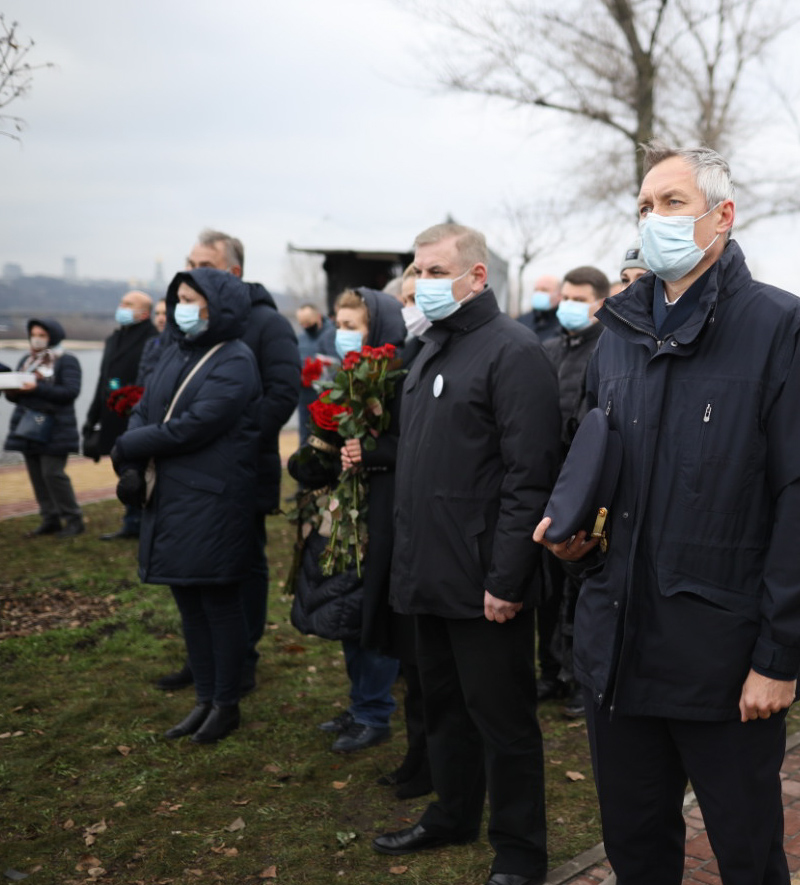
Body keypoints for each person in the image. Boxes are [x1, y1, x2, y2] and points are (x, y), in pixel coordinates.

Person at [535, 143, 800, 885]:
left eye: (671, 202)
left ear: (722, 215)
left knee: (746, 854)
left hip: (725, 663)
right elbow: (597, 462)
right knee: (635, 849)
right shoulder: (619, 336)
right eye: (644, 207)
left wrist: (779, 654)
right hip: (619, 651)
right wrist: (579, 537)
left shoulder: (782, 327)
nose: (654, 218)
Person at [373, 223, 560, 885]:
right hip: (427, 572)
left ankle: (519, 851)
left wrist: (506, 578)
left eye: (433, 270)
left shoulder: (513, 352)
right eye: (416, 271)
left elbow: (528, 475)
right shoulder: (428, 349)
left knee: (503, 722)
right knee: (440, 706)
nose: (420, 283)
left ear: (476, 276)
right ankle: (453, 812)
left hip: (487, 581)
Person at [113, 268, 262, 744]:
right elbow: (145, 408)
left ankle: (225, 703)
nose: (182, 307)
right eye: (177, 298)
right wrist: (133, 458)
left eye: (191, 299)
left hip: (212, 501)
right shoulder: (176, 352)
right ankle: (203, 699)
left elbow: (193, 426)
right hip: (172, 499)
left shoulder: (236, 360)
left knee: (217, 602)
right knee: (188, 603)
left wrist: (127, 446)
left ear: (218, 306)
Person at [155, 229, 300, 697]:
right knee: (194, 569)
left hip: (241, 469)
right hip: (184, 474)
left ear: (233, 272)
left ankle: (243, 657)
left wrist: (230, 440)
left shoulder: (265, 324)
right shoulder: (188, 325)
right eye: (189, 263)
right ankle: (204, 659)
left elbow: (281, 394)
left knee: (244, 564)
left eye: (206, 265)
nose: (194, 273)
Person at [287, 288, 408, 754]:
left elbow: (409, 447)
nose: (343, 335)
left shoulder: (398, 380)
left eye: (354, 327)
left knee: (369, 618)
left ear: (379, 330)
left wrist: (370, 451)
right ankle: (359, 703)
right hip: (342, 513)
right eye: (339, 325)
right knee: (345, 615)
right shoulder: (344, 379)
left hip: (380, 516)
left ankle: (374, 712)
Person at [539, 265, 611, 715]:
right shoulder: (546, 350)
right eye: (563, 296)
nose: (566, 305)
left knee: (582, 591)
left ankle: (585, 680)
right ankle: (552, 671)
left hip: (585, 487)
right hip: (548, 484)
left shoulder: (606, 350)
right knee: (548, 590)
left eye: (577, 298)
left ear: (599, 302)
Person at [83, 290, 157, 540]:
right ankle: (132, 519)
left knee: (135, 468)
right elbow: (103, 380)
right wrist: (92, 418)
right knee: (121, 467)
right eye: (122, 302)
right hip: (111, 414)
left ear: (144, 312)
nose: (121, 307)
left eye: (128, 304)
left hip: (134, 414)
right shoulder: (113, 339)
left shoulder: (152, 339)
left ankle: (137, 521)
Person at [4, 319, 84, 538]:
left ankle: (73, 518)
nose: (37, 338)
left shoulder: (66, 361)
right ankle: (50, 519)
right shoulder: (27, 360)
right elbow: (19, 398)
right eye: (34, 334)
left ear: (53, 336)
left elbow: (70, 392)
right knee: (37, 475)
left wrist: (36, 387)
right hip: (27, 427)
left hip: (56, 428)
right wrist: (12, 389)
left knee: (53, 474)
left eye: (42, 334)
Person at [294, 302, 337, 443]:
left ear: (318, 317)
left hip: (325, 397)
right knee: (305, 436)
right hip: (305, 396)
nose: (306, 326)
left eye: (308, 322)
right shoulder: (300, 339)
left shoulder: (332, 334)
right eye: (302, 323)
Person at [516, 274, 562, 342]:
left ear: (559, 295)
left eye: (544, 290)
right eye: (536, 290)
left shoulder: (563, 323)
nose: (539, 293)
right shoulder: (522, 321)